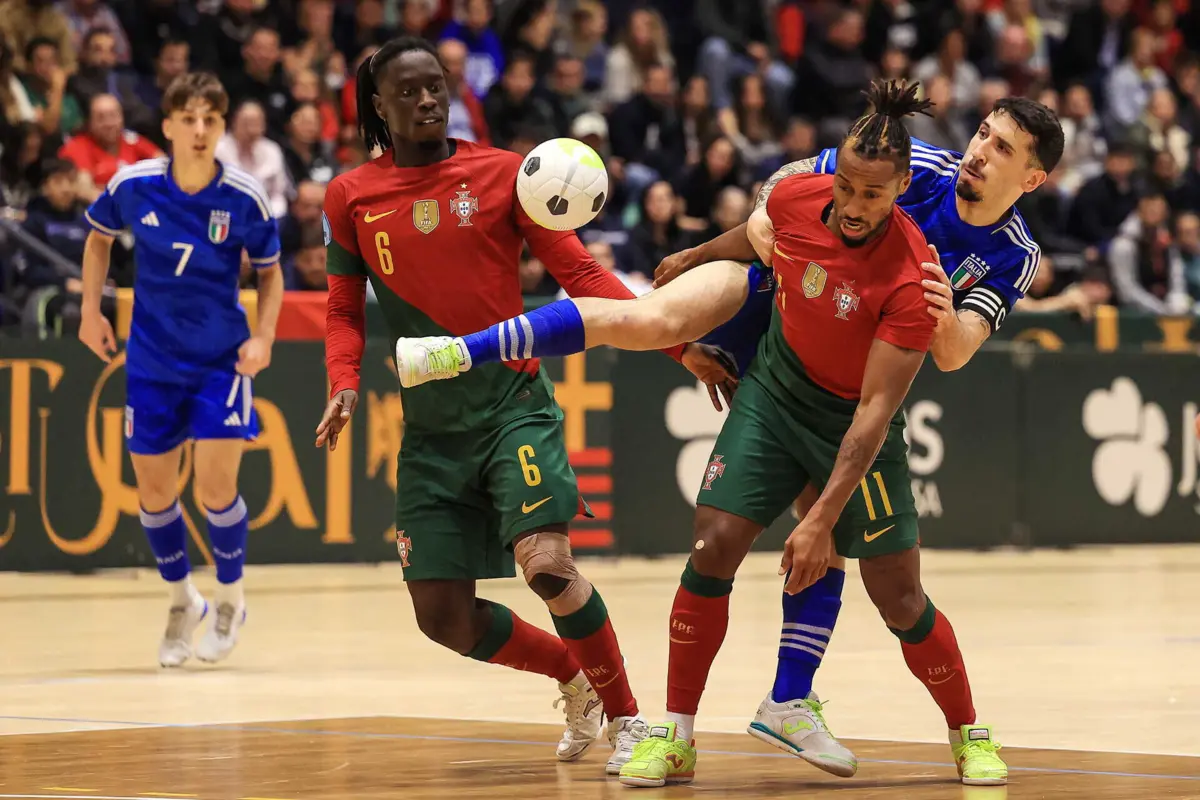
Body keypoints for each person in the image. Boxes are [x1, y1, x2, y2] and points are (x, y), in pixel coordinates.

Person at [396, 81, 1064, 787]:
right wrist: (708, 248)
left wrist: (940, 313)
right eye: (983, 133)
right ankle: (463, 350)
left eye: (1002, 148)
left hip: (860, 370)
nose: (979, 152)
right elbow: (783, 195)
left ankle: (872, 712)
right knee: (650, 328)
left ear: (1031, 178)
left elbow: (942, 361)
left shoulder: (956, 264)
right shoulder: (891, 169)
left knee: (888, 589)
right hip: (783, 309)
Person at [313, 36, 731, 776]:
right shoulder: (351, 196)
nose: (427, 100)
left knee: (547, 565)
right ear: (378, 106)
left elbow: (584, 278)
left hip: (514, 409)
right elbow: (344, 307)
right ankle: (575, 678)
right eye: (408, 91)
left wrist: (677, 346)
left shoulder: (505, 174)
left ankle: (630, 722)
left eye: (435, 85)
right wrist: (342, 380)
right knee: (442, 618)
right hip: (431, 433)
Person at [77, 72, 284, 667]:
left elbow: (270, 272)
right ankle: (181, 600)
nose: (199, 130)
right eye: (188, 119)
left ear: (221, 128)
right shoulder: (134, 184)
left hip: (220, 361)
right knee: (154, 491)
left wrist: (264, 337)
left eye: (210, 120)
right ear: (167, 126)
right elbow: (97, 239)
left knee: (215, 488)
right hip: (151, 361)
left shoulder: (242, 195)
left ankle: (231, 599)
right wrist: (90, 312)